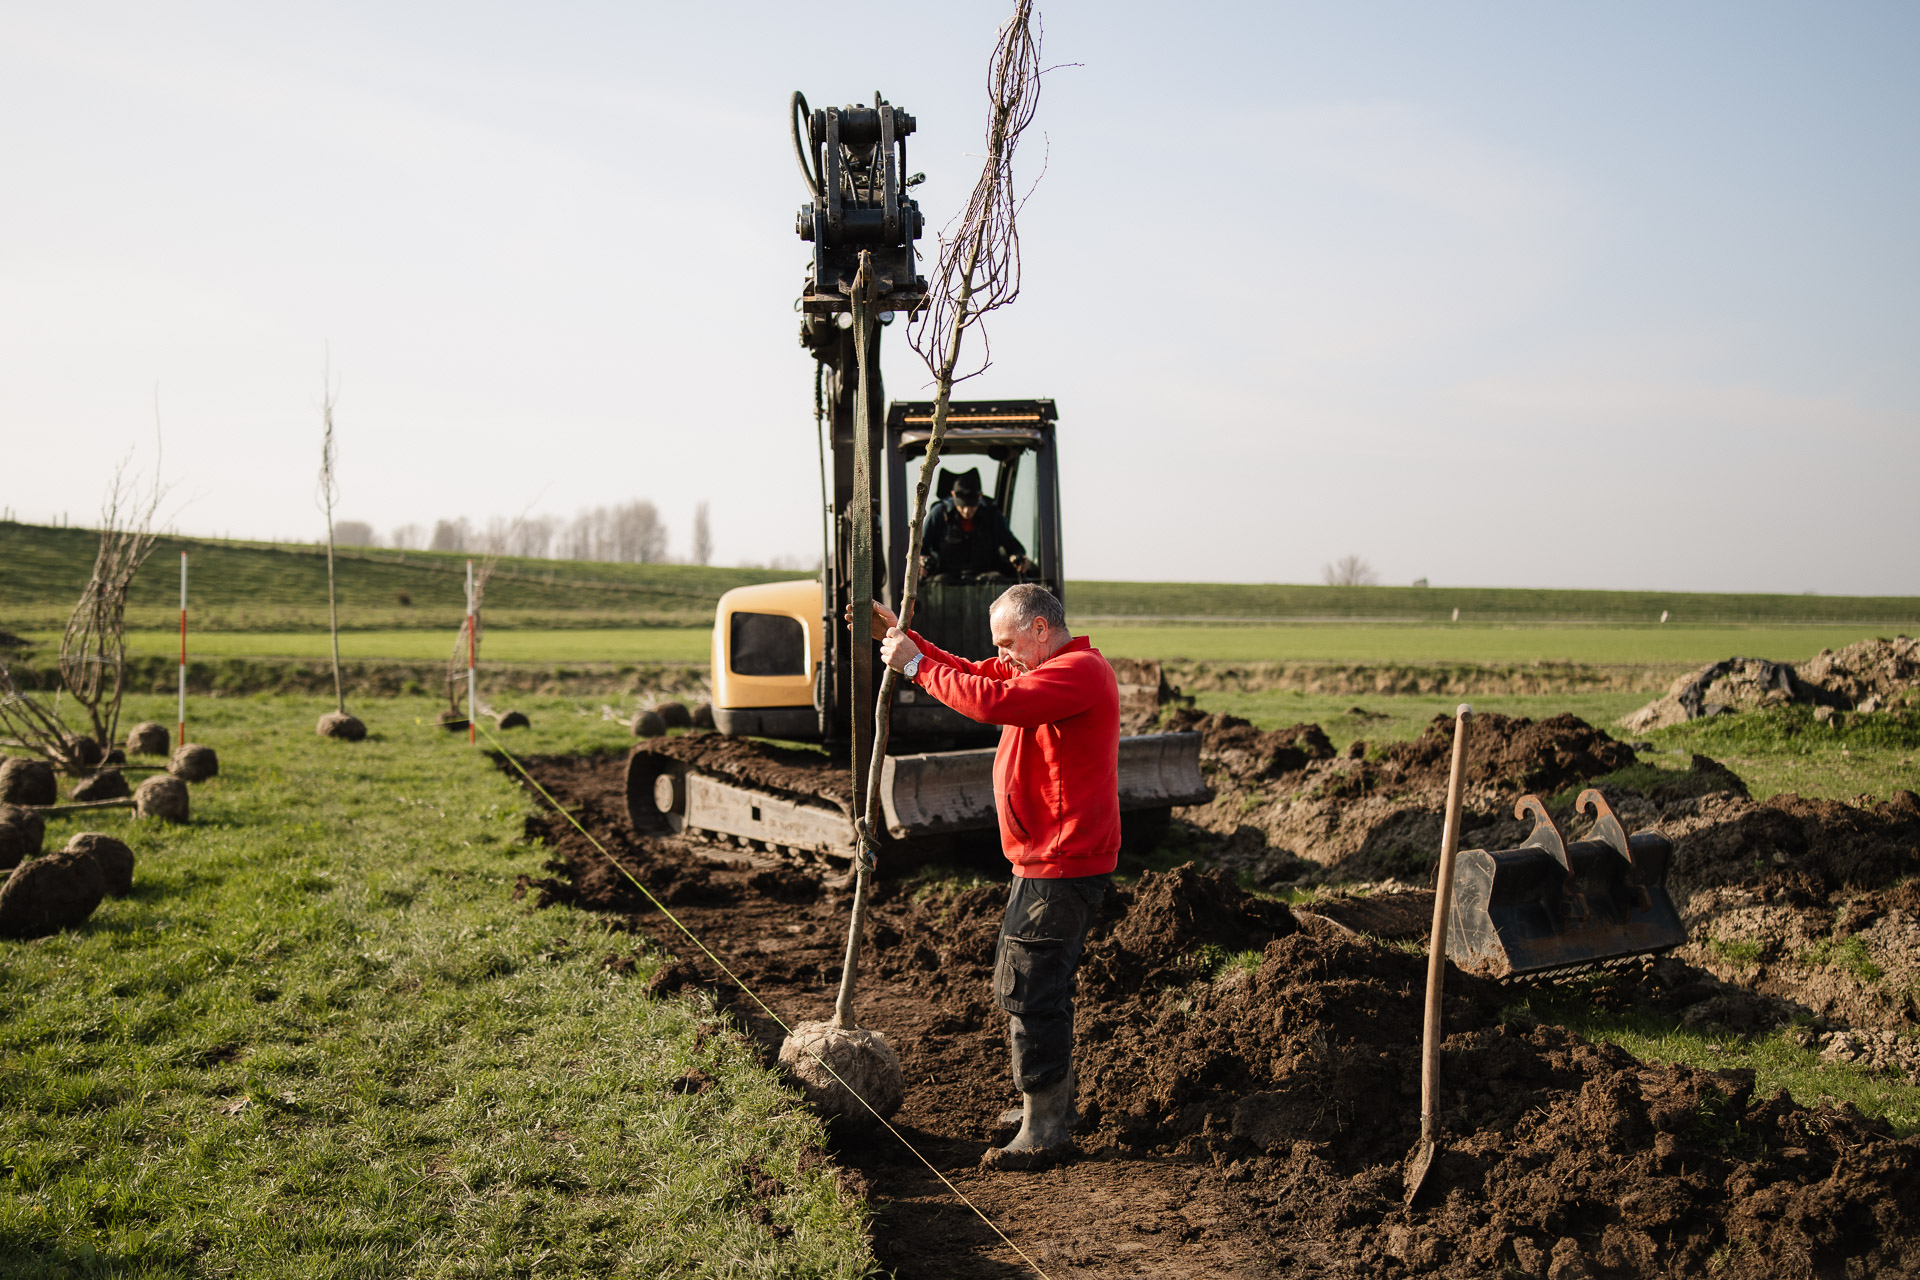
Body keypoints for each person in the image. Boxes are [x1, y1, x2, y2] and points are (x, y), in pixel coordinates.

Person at [861, 583, 1118, 1168]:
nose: (1000, 655)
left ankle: (1046, 1127)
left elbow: (990, 701)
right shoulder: (1037, 668)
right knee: (1032, 981)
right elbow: (974, 673)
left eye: (1007, 643)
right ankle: (1048, 1107)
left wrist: (915, 666)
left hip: (1063, 860)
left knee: (1032, 987)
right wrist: (906, 640)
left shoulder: (1078, 671)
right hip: (1043, 858)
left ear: (1040, 630)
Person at [920, 468, 1032, 581]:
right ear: (953, 495)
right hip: (947, 577)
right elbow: (921, 547)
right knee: (939, 580)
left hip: (985, 576)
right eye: (962, 506)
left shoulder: (992, 515)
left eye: (971, 506)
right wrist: (921, 560)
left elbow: (1012, 546)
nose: (966, 511)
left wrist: (1018, 557)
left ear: (980, 497)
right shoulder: (939, 514)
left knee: (997, 579)